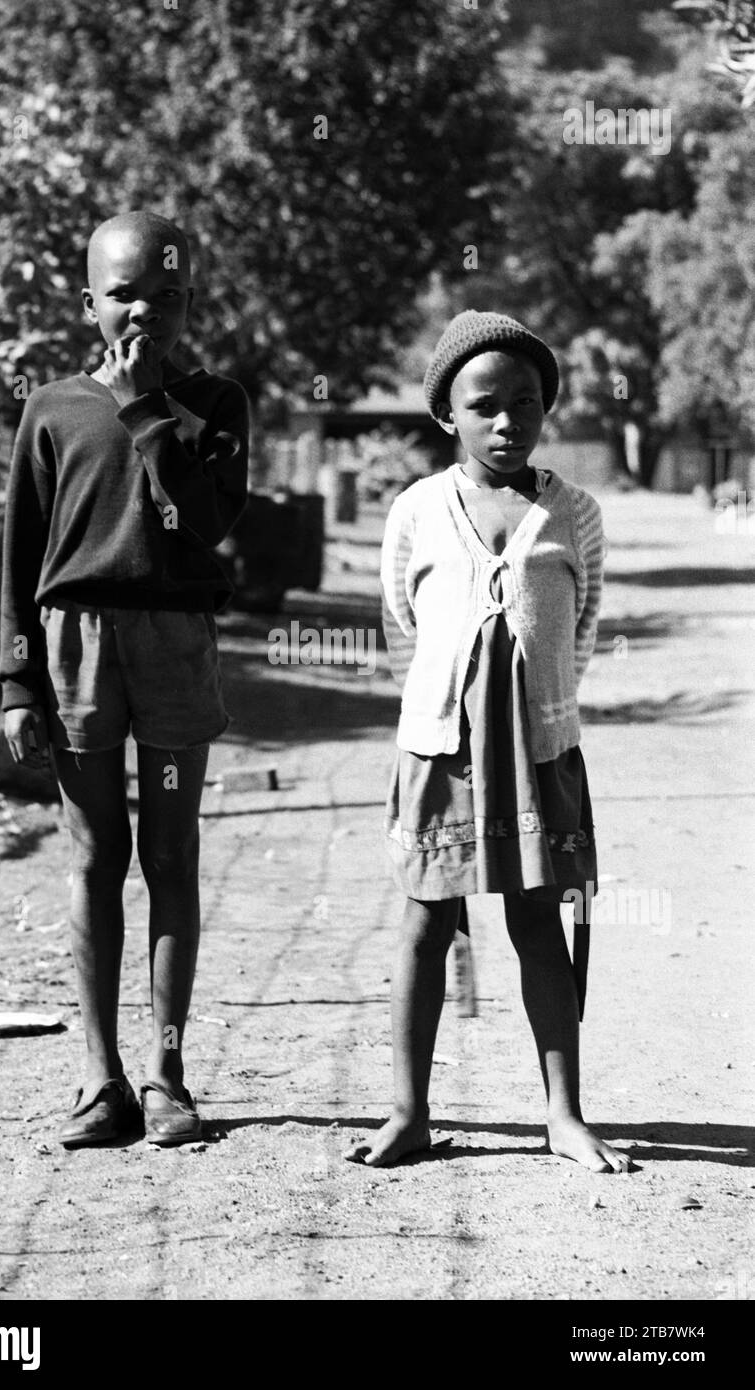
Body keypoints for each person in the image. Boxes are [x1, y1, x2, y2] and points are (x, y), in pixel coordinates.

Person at [347, 310, 630, 1173]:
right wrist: (449, 706)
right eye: (486, 406)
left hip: (538, 750)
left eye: (527, 403)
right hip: (440, 750)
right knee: (427, 922)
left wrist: (538, 707)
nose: (508, 420)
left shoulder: (573, 514)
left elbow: (579, 629)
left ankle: (564, 1116)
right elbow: (402, 620)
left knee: (538, 924)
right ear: (447, 415)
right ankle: (410, 1113)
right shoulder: (418, 510)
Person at [0, 211, 249, 1147]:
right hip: (77, 648)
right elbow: (20, 551)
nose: (146, 311)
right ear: (90, 300)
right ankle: (102, 1080)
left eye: (169, 296)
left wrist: (147, 408)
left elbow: (204, 521)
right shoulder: (53, 408)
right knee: (98, 857)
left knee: (171, 857)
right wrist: (18, 678)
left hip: (175, 643)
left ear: (191, 303)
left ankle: (167, 1074)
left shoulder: (215, 402)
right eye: (124, 294)